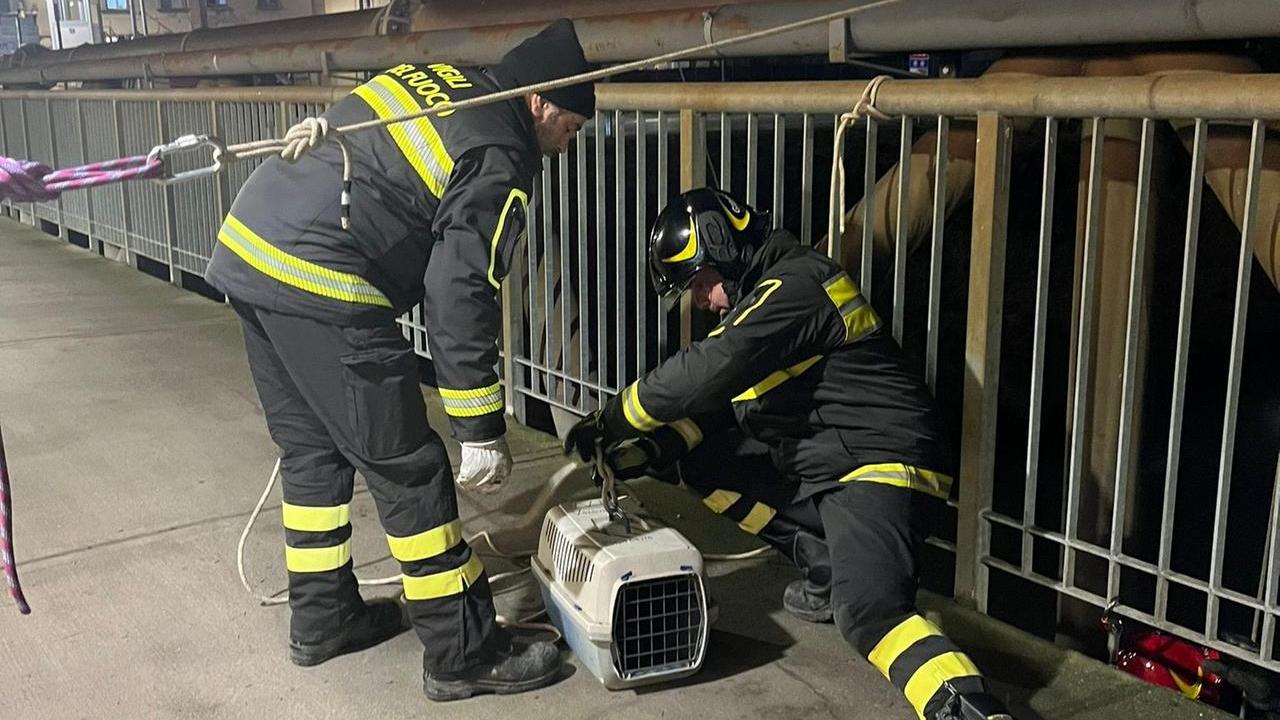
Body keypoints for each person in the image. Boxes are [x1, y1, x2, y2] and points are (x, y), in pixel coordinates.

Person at [203, 20, 593, 701]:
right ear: (541, 103)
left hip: (251, 249)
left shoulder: (440, 80)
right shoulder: (501, 151)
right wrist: (478, 426)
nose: (570, 142)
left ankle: (324, 618)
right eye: (573, 126)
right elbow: (459, 288)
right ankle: (462, 650)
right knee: (410, 468)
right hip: (322, 279)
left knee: (313, 453)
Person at [564, 187, 1014, 720]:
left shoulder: (798, 284)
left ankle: (971, 709)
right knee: (704, 462)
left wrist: (610, 420)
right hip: (831, 464)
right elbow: (721, 410)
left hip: (881, 466)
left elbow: (708, 372)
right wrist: (647, 452)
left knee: (870, 613)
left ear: (722, 246)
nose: (703, 300)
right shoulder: (764, 301)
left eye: (703, 283)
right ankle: (827, 568)